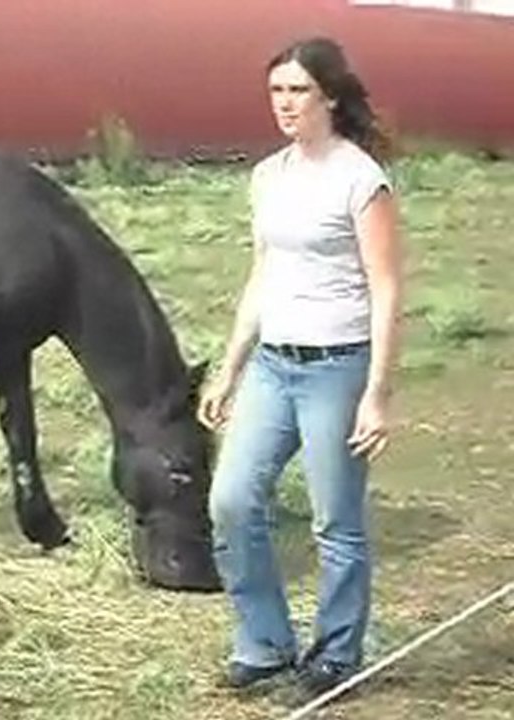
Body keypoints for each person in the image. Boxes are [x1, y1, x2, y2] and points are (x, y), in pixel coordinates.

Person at [197, 36, 404, 704]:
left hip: (337, 368)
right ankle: (264, 643)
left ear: (330, 97)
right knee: (230, 500)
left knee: (334, 520)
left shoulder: (359, 178)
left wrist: (377, 392)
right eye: (277, 91)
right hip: (272, 366)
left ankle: (337, 655)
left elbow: (386, 286)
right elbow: (263, 274)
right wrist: (228, 370)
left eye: (298, 91)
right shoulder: (268, 175)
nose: (285, 104)